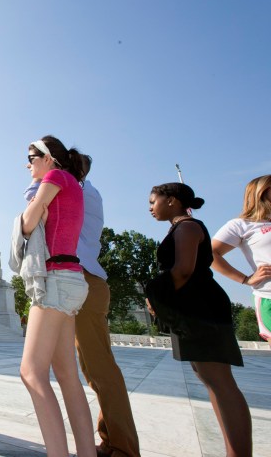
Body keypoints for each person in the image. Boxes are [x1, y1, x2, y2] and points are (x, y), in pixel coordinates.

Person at [23, 154, 140, 456]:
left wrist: (41, 181)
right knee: (84, 370)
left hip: (75, 277)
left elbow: (30, 217)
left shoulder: (71, 187)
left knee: (96, 369)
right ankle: (106, 441)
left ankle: (122, 447)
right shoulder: (87, 190)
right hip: (84, 280)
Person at [146, 183, 251, 456]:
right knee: (210, 378)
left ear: (171, 200)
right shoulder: (180, 227)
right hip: (191, 309)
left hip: (201, 309)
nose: (149, 208)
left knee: (220, 381)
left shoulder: (188, 227)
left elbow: (182, 271)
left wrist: (155, 295)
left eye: (152, 201)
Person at [16, 136, 94, 457]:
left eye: (31, 156)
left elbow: (27, 223)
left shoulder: (55, 177)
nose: (28, 163)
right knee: (67, 376)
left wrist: (31, 207)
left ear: (48, 158)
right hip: (71, 278)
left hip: (56, 278)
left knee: (31, 372)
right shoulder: (72, 183)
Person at [211, 174, 271, 340]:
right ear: (262, 192)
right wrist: (245, 279)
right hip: (269, 295)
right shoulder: (242, 224)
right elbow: (210, 254)